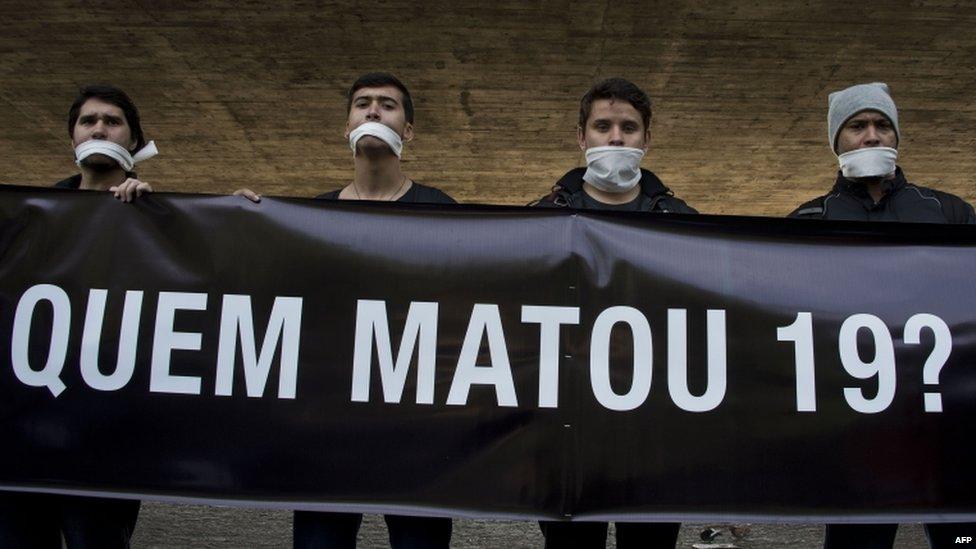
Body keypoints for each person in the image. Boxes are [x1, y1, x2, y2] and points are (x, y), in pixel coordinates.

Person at [238, 72, 454, 549]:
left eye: (388, 105)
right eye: (362, 104)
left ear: (409, 130)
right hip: (328, 428)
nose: (373, 112)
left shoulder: (442, 211)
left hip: (414, 428)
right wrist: (237, 229)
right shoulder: (309, 217)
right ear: (347, 125)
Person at [790, 82, 975, 549]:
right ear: (837, 141)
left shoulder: (950, 213)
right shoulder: (807, 222)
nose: (871, 136)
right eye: (857, 126)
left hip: (944, 429)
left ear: (896, 137)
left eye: (882, 125)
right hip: (858, 434)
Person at [532, 77, 696, 549]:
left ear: (647, 138)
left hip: (655, 432)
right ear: (582, 137)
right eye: (603, 126)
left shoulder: (685, 223)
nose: (616, 138)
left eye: (629, 127)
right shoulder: (539, 218)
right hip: (569, 430)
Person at [0, 84, 156, 548]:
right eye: (89, 121)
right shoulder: (31, 220)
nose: (99, 128)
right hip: (23, 438)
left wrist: (156, 218)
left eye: (111, 121)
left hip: (104, 440)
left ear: (133, 140)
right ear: (73, 139)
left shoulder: (160, 223)